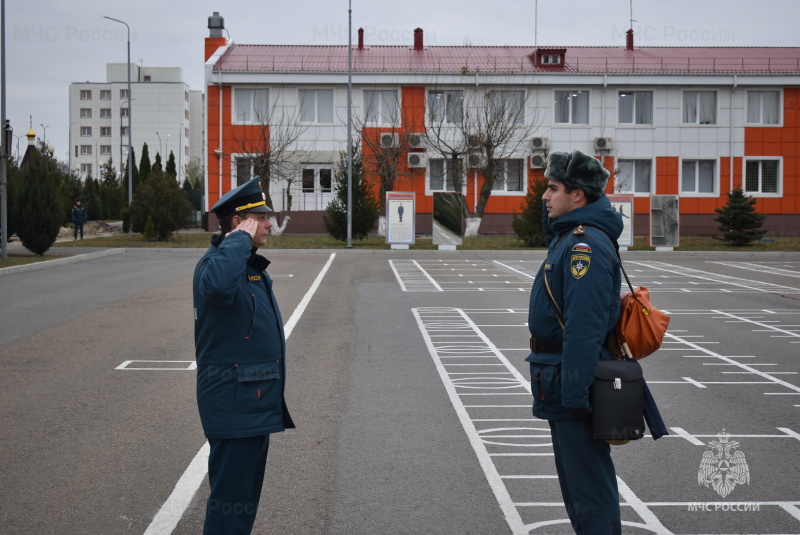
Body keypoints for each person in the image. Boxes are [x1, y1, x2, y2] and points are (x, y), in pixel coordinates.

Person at [526, 150, 624, 534]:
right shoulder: (569, 238)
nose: (545, 197)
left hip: (571, 380)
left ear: (578, 196)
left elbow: (584, 328)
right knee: (578, 490)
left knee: (589, 491)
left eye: (553, 188)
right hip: (560, 377)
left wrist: (576, 392)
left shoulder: (584, 246)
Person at [193, 177, 295, 535]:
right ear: (238, 223)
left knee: (243, 503)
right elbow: (218, 288)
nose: (269, 223)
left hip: (252, 403)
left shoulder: (243, 265)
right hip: (234, 404)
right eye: (261, 217)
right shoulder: (216, 266)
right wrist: (237, 239)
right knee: (230, 505)